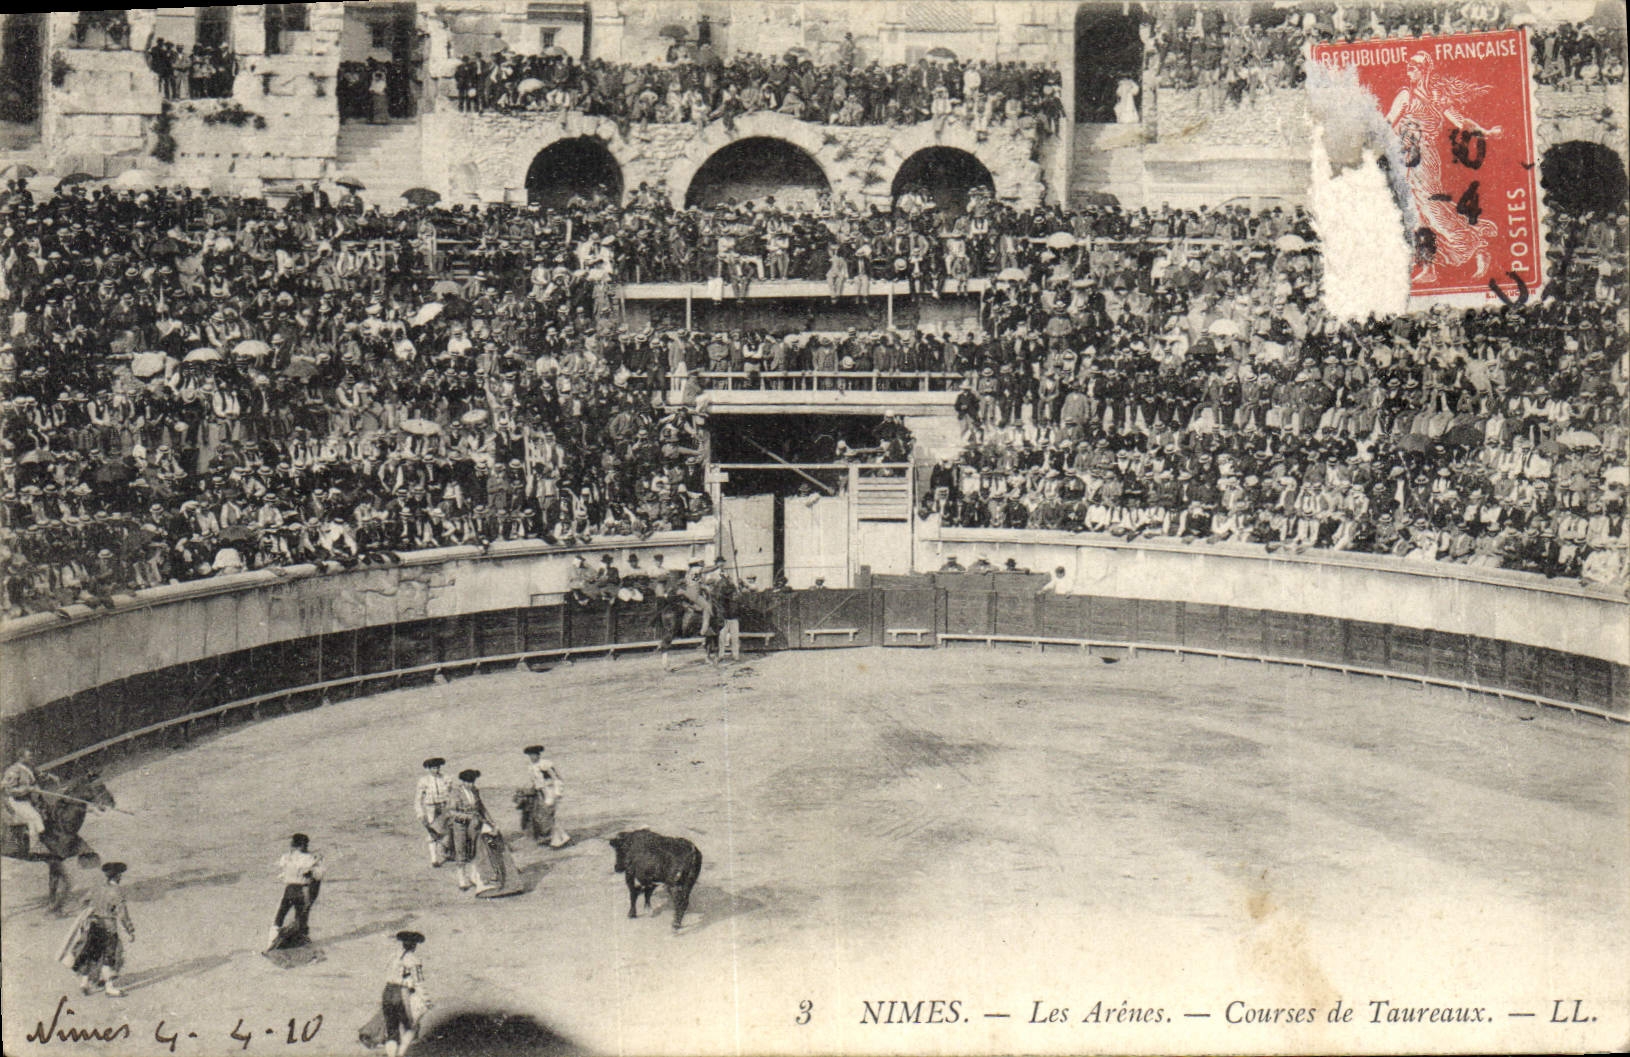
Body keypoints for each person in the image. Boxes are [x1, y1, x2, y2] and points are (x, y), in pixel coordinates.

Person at [60, 862, 135, 996]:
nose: (120, 878)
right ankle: (109, 987)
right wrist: (130, 930)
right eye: (120, 875)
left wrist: (88, 913)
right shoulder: (116, 891)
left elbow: (83, 901)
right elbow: (123, 914)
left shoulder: (97, 888)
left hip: (94, 925)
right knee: (110, 956)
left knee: (93, 954)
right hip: (109, 928)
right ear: (117, 876)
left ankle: (84, 983)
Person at [266, 833, 324, 952]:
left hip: (289, 890)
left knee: (280, 915)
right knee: (301, 917)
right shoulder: (310, 859)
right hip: (303, 890)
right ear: (303, 845)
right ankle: (300, 942)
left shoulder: (286, 857)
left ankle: (270, 943)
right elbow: (318, 876)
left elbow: (282, 872)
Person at [444, 769, 496, 894]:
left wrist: (491, 822)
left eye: (472, 782)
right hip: (460, 825)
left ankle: (474, 876)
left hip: (474, 824)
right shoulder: (456, 792)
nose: (471, 784)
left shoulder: (475, 790)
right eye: (468, 782)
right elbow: (451, 812)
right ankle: (462, 878)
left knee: (475, 849)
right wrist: (468, 817)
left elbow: (481, 808)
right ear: (462, 781)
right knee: (461, 850)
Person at [381, 930, 428, 1057]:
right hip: (402, 993)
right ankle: (401, 1054)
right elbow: (418, 982)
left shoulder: (393, 956)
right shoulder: (413, 959)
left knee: (391, 1029)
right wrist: (426, 1000)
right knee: (411, 1026)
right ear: (414, 945)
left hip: (387, 991)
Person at [3, 746, 52, 855]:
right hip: (17, 802)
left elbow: (38, 775)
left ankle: (37, 844)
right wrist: (25, 789)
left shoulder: (29, 767)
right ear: (21, 758)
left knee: (37, 818)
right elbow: (9, 790)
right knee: (35, 818)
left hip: (29, 800)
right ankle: (38, 846)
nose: (31, 758)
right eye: (29, 756)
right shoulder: (13, 771)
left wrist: (51, 777)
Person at [521, 745, 570, 848]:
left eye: (534, 755)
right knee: (546, 816)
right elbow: (534, 782)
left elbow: (556, 778)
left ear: (538, 755)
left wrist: (557, 793)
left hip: (550, 791)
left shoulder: (545, 764)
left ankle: (558, 840)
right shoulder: (530, 767)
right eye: (530, 755)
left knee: (549, 815)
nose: (532, 757)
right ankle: (560, 837)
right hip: (541, 793)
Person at [414, 757, 451, 868]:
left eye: (437, 767)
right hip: (431, 809)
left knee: (447, 830)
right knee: (432, 832)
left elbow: (449, 793)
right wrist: (420, 813)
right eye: (433, 768)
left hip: (444, 807)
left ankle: (446, 853)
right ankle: (434, 859)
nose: (436, 770)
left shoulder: (445, 778)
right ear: (429, 769)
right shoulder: (424, 781)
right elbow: (418, 799)